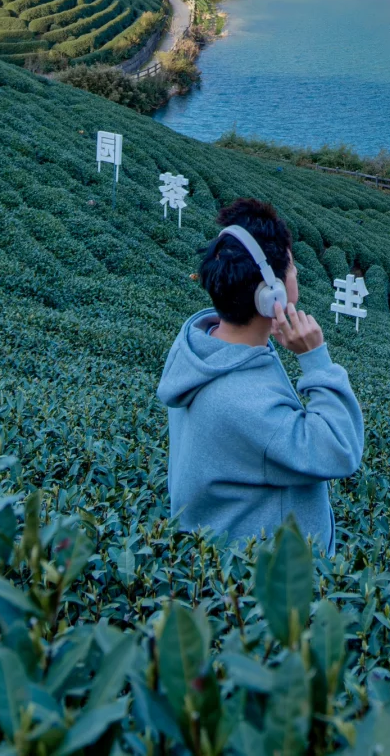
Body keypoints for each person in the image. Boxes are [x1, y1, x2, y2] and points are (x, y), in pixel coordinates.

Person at [157, 198, 363, 551]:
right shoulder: (241, 402)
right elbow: (339, 449)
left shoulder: (206, 349)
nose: (296, 273)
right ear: (271, 294)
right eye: (292, 266)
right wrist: (315, 359)